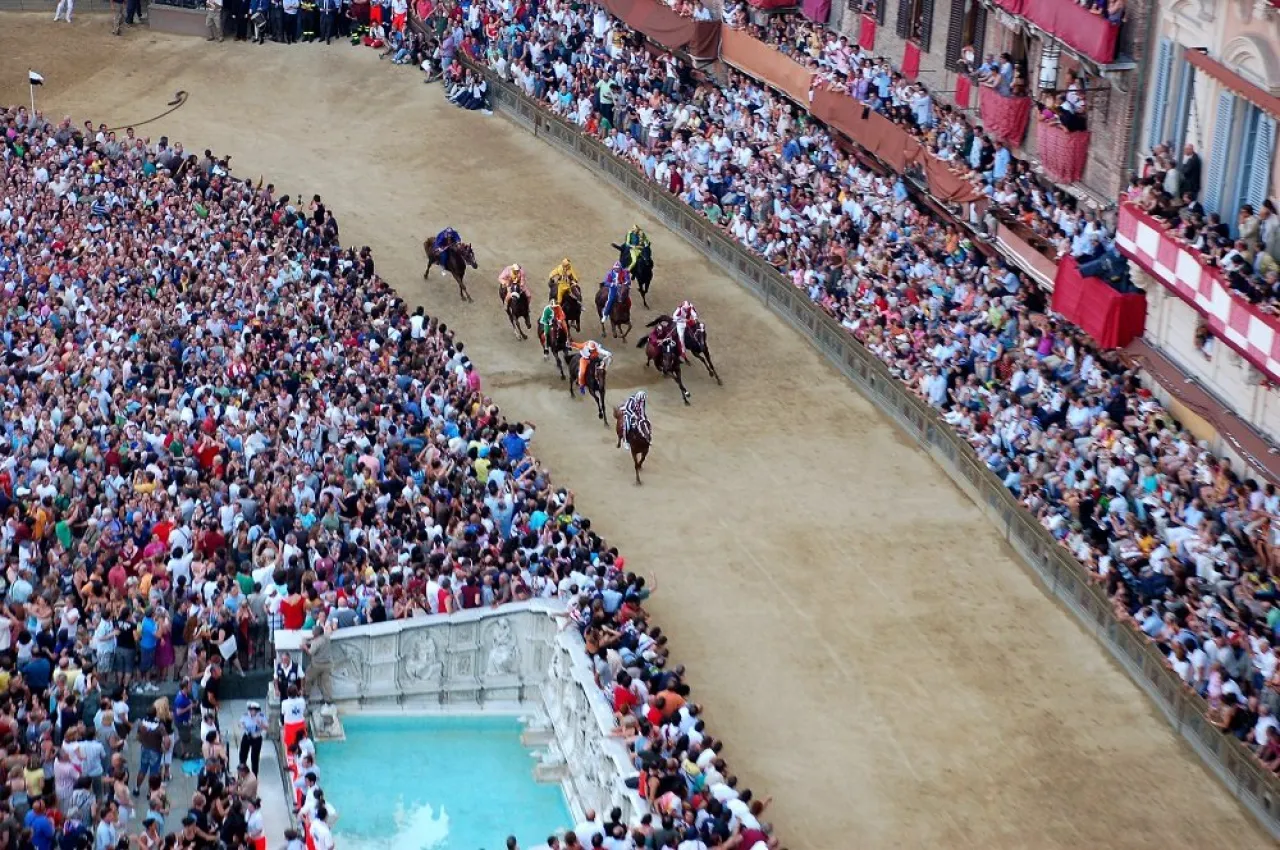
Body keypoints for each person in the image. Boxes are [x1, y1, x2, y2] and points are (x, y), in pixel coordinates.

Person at [239, 702, 267, 776]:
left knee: (254, 758)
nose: (252, 711)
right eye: (251, 709)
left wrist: (260, 724)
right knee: (243, 755)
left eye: (254, 710)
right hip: (247, 737)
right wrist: (242, 726)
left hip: (256, 738)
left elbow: (266, 728)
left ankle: (254, 776)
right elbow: (240, 724)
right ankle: (242, 773)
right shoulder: (245, 715)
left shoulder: (261, 716)